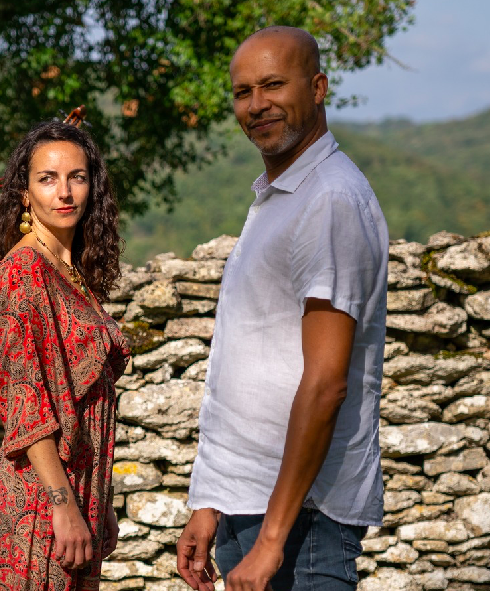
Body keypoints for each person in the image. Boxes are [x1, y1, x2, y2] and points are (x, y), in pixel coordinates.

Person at [176, 26, 388, 591]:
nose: (256, 105)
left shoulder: (330, 199)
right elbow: (251, 360)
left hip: (302, 524)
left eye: (273, 85)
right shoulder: (279, 199)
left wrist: (271, 542)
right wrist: (211, 500)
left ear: (317, 87)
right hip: (252, 507)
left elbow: (326, 383)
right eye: (242, 92)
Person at [0, 120, 130, 590]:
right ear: (24, 194)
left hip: (79, 491)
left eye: (76, 177)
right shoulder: (23, 270)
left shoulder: (71, 270)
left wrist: (99, 501)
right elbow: (25, 405)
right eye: (47, 178)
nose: (64, 192)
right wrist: (63, 506)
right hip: (43, 500)